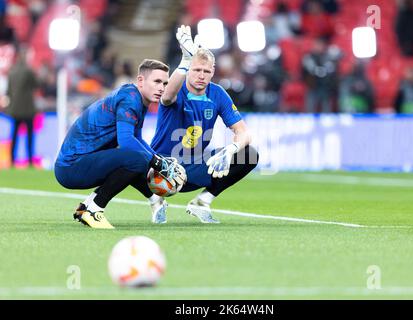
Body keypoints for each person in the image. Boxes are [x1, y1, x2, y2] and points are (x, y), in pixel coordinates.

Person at [54, 59, 187, 229]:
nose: (162, 88)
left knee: (135, 159)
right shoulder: (130, 99)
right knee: (135, 160)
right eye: (157, 81)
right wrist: (158, 163)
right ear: (140, 81)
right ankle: (94, 209)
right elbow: (126, 142)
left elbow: (136, 139)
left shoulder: (135, 98)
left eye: (165, 83)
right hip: (72, 167)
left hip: (78, 162)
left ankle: (88, 206)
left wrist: (158, 160)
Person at [149, 25, 259, 224]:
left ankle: (202, 201)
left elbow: (243, 132)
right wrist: (184, 60)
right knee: (127, 156)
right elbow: (166, 97)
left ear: (213, 72)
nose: (201, 75)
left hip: (192, 168)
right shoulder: (177, 88)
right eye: (196, 69)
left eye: (206, 71)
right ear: (188, 70)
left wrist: (231, 149)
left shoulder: (217, 94)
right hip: (160, 168)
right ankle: (150, 200)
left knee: (249, 153)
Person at [6, 47, 39, 167]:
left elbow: (8, 92)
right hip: (27, 109)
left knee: (14, 134)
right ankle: (30, 160)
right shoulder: (28, 71)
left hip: (15, 109)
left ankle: (12, 160)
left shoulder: (12, 71)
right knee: (29, 135)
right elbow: (37, 84)